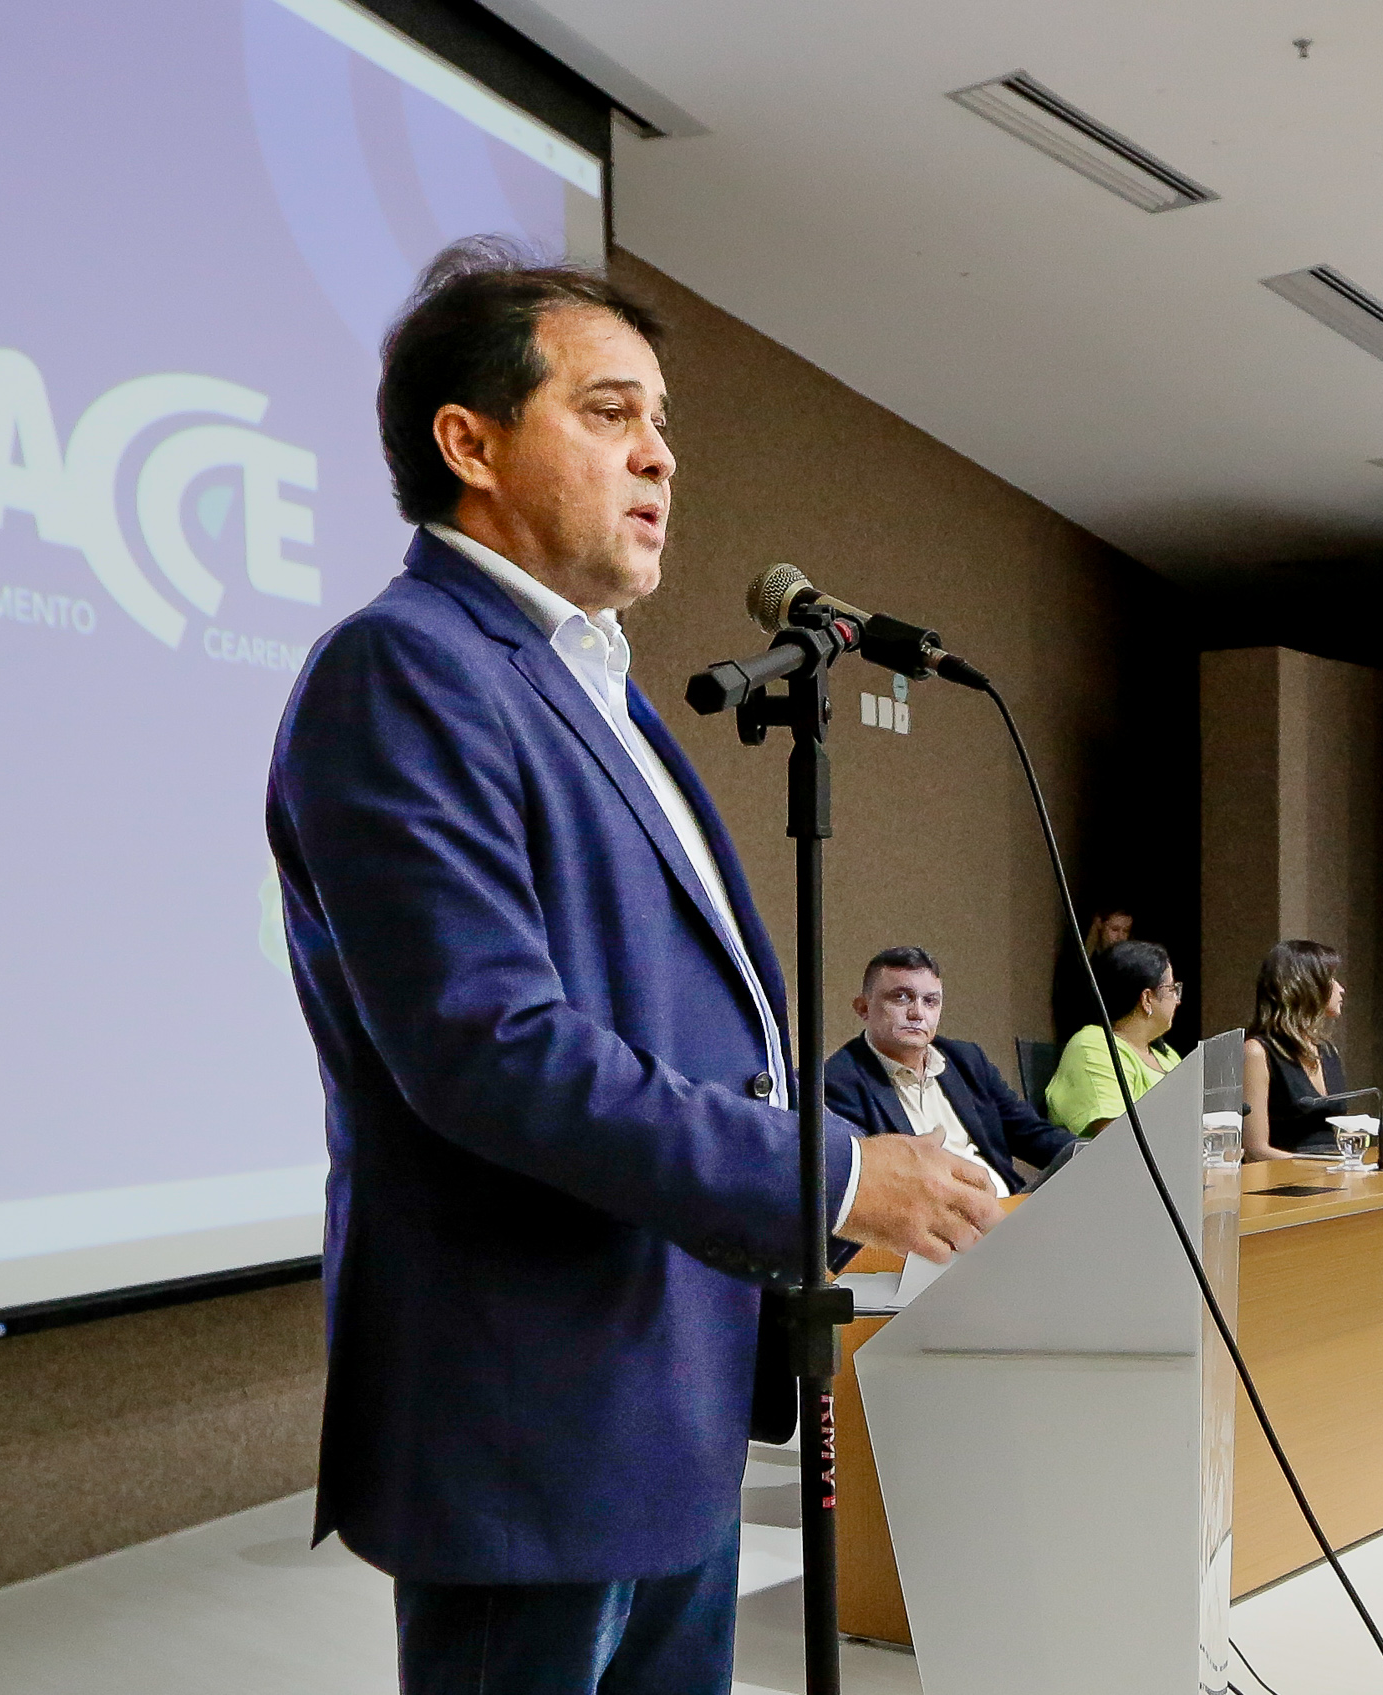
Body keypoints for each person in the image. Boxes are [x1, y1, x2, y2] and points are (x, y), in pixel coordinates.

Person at [266, 240, 1003, 1695]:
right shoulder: (409, 665)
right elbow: (494, 1049)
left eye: (662, 421)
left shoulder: (597, 684)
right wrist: (840, 1175)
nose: (659, 455)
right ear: (468, 442)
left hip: (664, 1381)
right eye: (610, 414)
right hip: (534, 1406)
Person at [822, 947, 1077, 1204]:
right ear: (863, 1008)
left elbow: (1031, 1133)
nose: (917, 1013)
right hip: (933, 1227)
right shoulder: (839, 1081)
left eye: (930, 1001)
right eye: (901, 997)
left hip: (1010, 1211)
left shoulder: (965, 1060)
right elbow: (868, 1187)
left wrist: (1092, 1152)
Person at [1048, 937, 1182, 1136]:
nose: (1177, 1001)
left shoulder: (1166, 1054)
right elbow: (1116, 1138)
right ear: (1146, 999)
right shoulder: (1094, 1046)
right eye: (1172, 989)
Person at [1240, 939, 1352, 1160]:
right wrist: (1322, 1167)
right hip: (1285, 1183)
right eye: (1331, 978)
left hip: (1334, 1175)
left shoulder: (1327, 1051)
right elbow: (1255, 1151)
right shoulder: (1257, 1052)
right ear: (1307, 986)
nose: (1341, 989)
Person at [1053, 907, 1134, 1042]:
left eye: (1125, 931)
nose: (1120, 937)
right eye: (1114, 930)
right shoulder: (1080, 962)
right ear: (1099, 926)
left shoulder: (1128, 967)